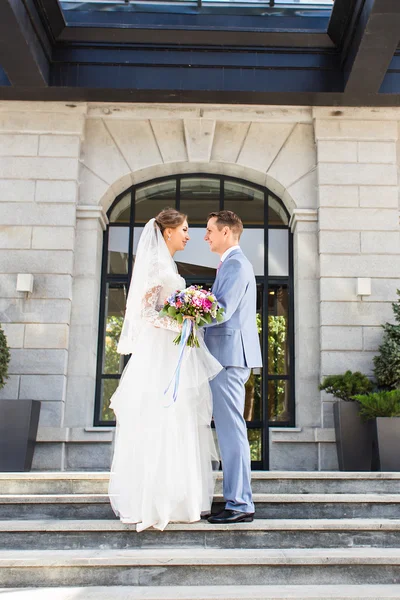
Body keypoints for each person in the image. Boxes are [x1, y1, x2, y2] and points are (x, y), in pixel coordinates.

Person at [108, 208, 222, 532]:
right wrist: (180, 323)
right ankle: (155, 501)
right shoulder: (157, 266)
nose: (189, 235)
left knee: (180, 420)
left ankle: (178, 498)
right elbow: (145, 313)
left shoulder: (168, 264)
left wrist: (186, 320)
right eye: (185, 229)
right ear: (168, 231)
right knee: (161, 420)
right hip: (159, 356)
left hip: (174, 355)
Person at [204, 210, 262, 524]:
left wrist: (188, 317)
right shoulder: (231, 264)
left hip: (229, 358)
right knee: (228, 431)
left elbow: (222, 310)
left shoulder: (237, 264)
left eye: (210, 230)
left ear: (226, 232)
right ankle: (236, 499)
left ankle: (240, 504)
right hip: (225, 357)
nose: (206, 236)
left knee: (231, 431)